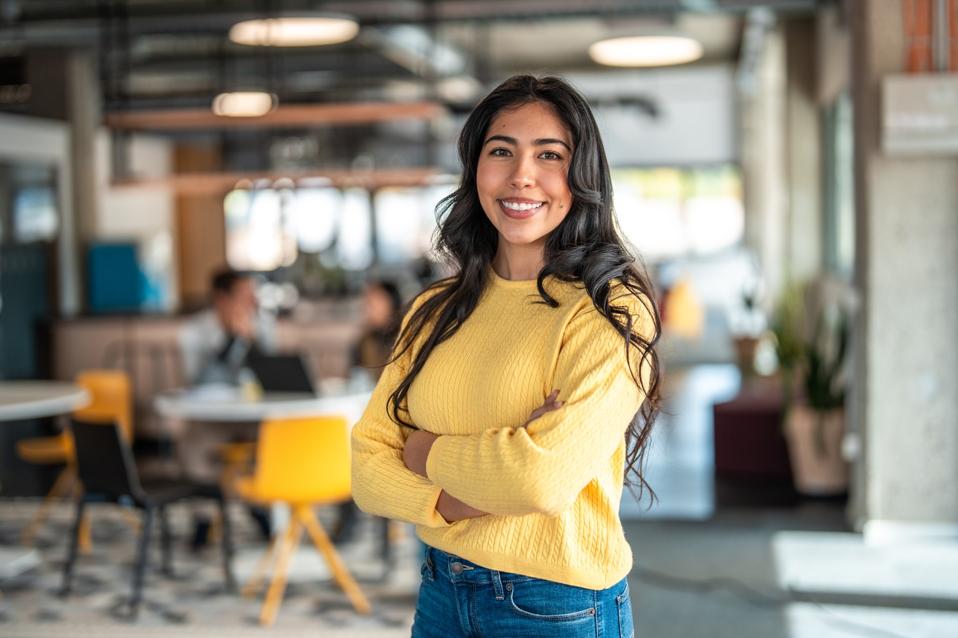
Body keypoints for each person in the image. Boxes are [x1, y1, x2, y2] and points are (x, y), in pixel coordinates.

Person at [350, 75, 662, 637]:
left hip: (555, 605)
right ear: (475, 169)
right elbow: (367, 470)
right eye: (501, 151)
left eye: (550, 155)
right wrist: (466, 492)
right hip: (441, 590)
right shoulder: (434, 310)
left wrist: (422, 450)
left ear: (583, 175)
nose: (522, 175)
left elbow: (539, 481)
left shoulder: (609, 310)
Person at [177, 268, 276, 548]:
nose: (252, 302)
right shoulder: (195, 331)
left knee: (274, 441)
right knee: (191, 443)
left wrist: (252, 342)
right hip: (212, 419)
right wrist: (231, 340)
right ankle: (204, 516)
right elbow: (199, 381)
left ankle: (259, 507)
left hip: (254, 416)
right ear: (221, 298)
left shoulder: (262, 325)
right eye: (245, 296)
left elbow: (272, 375)